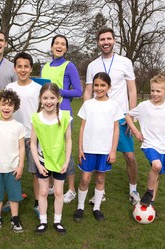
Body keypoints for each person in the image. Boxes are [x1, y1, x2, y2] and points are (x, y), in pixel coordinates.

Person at [83, 27, 140, 205]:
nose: (105, 42)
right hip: (98, 116)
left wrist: (132, 115)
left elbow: (132, 89)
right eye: (102, 39)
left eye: (108, 39)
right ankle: (101, 192)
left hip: (121, 116)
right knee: (98, 155)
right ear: (98, 42)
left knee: (129, 156)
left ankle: (133, 190)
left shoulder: (125, 62)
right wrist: (87, 112)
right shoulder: (92, 65)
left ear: (114, 40)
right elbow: (88, 91)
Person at [125, 75, 165, 208]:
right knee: (157, 166)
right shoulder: (144, 106)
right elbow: (128, 116)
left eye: (158, 91)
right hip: (148, 144)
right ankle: (149, 192)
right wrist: (136, 131)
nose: (154, 94)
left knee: (156, 173)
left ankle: (150, 203)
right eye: (152, 90)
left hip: (164, 146)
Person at [73, 72, 124, 222]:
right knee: (85, 179)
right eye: (96, 85)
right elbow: (82, 127)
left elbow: (116, 129)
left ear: (109, 87)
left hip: (105, 150)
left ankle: (97, 208)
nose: (99, 88)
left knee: (100, 179)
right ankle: (80, 207)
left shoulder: (114, 105)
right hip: (88, 149)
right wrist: (80, 148)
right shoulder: (88, 104)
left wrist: (113, 150)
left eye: (103, 85)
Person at [40, 34, 82, 203]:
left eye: (63, 44)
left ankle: (71, 189)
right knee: (49, 149)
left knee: (65, 151)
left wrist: (57, 92)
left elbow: (78, 91)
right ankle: (51, 185)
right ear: (51, 47)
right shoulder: (45, 66)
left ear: (66, 49)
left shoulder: (69, 66)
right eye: (56, 43)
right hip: (45, 112)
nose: (59, 46)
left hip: (63, 112)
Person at [30, 83, 72, 234]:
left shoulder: (65, 116)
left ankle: (57, 221)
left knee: (58, 192)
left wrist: (67, 162)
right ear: (40, 99)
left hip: (60, 161)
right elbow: (33, 143)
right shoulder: (36, 118)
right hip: (42, 162)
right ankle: (43, 221)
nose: (49, 101)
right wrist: (38, 164)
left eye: (52, 98)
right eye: (45, 98)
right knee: (42, 192)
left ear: (58, 99)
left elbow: (68, 140)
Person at [6, 52, 42, 218]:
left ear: (31, 68)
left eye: (26, 66)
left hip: (33, 137)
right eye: (19, 66)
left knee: (36, 172)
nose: (22, 69)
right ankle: (13, 198)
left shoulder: (37, 88)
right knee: (13, 170)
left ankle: (38, 202)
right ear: (15, 68)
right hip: (14, 136)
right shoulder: (10, 88)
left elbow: (42, 112)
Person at [0, 89, 25, 233]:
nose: (6, 108)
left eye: (10, 104)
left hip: (13, 168)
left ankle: (15, 219)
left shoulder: (18, 127)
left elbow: (21, 148)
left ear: (15, 107)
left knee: (14, 196)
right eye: (3, 104)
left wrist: (20, 166)